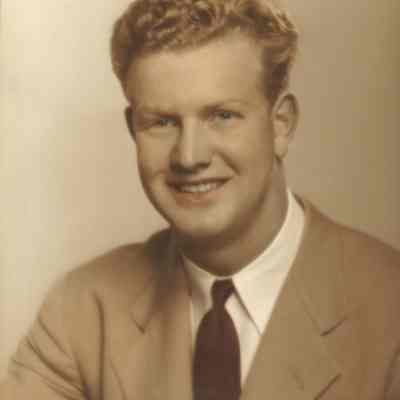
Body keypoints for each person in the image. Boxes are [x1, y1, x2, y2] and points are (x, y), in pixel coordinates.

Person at [2, 0, 400, 399]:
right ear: (133, 130)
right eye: (162, 122)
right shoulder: (82, 310)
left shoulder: (389, 306)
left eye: (222, 116)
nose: (189, 156)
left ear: (281, 124)